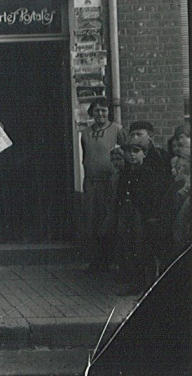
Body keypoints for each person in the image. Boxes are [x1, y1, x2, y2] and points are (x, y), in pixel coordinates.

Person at [80, 98, 128, 273]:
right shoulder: (85, 133)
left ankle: (111, 260)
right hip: (92, 184)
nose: (100, 114)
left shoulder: (117, 130)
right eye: (97, 110)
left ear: (109, 112)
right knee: (92, 222)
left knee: (109, 220)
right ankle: (96, 261)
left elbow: (126, 154)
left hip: (110, 184)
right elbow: (86, 156)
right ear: (91, 112)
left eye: (104, 111)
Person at [115, 141, 165, 296]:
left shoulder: (148, 174)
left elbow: (153, 197)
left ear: (144, 153)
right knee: (129, 246)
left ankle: (148, 285)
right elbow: (121, 193)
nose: (132, 155)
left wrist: (151, 216)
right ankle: (135, 282)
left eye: (136, 151)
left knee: (142, 247)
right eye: (129, 152)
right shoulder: (125, 173)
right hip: (126, 212)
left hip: (142, 215)